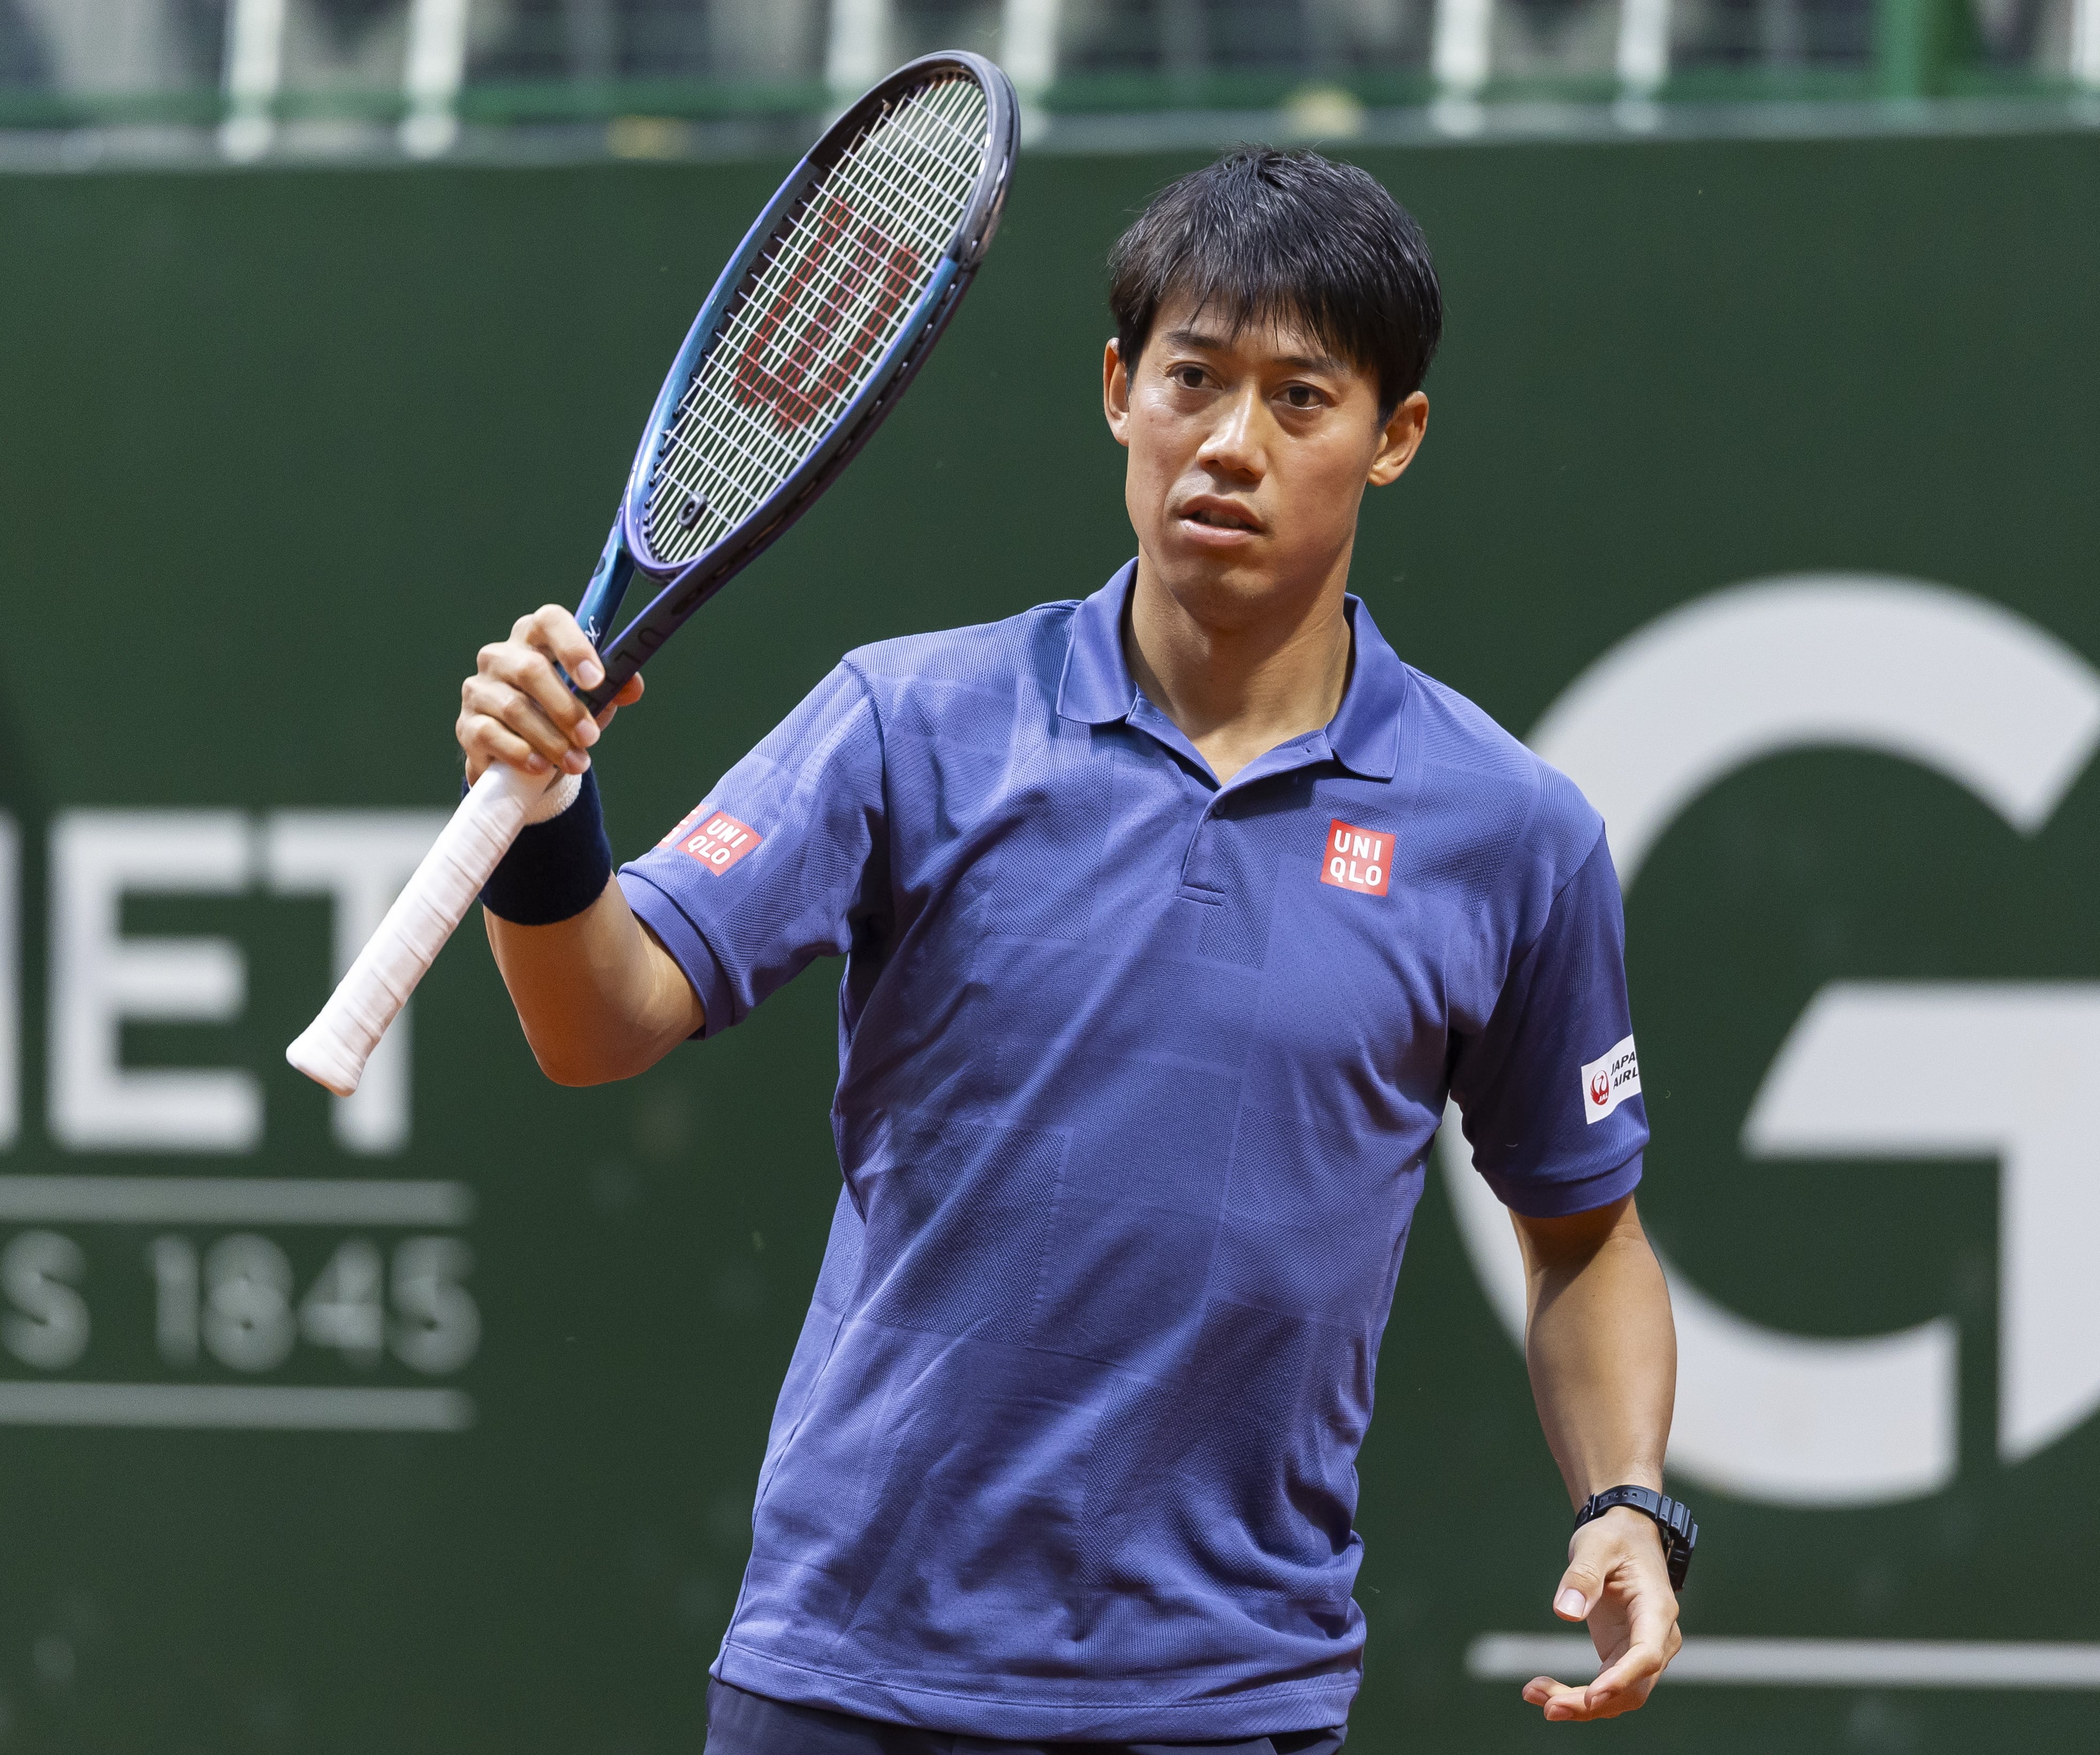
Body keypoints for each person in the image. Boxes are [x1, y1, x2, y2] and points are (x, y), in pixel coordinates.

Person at [454, 147, 1685, 1753]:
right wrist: (549, 813)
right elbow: (594, 1020)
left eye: (1300, 400)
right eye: (1193, 378)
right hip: (845, 1677)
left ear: (1396, 439)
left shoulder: (1511, 831)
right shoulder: (908, 722)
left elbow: (1582, 1236)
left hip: (1221, 1697)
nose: (1229, 444)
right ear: (1119, 390)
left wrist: (1627, 1503)